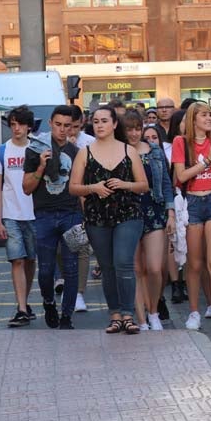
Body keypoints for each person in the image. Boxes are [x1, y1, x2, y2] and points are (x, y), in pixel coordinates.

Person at [70, 106, 149, 335]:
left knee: (124, 262)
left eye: (104, 120)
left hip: (128, 214)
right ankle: (114, 315)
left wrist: (124, 184)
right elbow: (73, 188)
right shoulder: (85, 152)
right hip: (97, 216)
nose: (100, 125)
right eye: (95, 121)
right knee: (107, 267)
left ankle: (128, 314)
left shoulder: (128, 150)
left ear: (115, 124)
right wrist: (93, 188)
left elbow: (143, 185)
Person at [172, 101, 211, 334]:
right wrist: (206, 158)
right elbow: (181, 175)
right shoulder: (181, 142)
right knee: (195, 263)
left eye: (210, 114)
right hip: (193, 202)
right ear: (193, 119)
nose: (209, 118)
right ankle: (194, 311)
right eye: (204, 115)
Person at [22, 105, 82, 329]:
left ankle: (67, 316)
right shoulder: (35, 149)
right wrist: (41, 166)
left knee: (71, 267)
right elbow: (27, 188)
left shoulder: (77, 153)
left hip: (71, 213)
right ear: (50, 123)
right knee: (46, 269)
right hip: (44, 214)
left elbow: (81, 186)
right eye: (58, 125)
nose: (62, 130)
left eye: (67, 126)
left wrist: (84, 217)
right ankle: (48, 303)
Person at [0, 105, 38, 328]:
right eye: (13, 124)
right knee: (17, 259)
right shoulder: (1, 152)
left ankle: (25, 303)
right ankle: (20, 308)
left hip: (35, 213)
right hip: (11, 213)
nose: (16, 128)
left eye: (20, 124)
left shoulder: (37, 149)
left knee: (30, 260)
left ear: (29, 126)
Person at [125, 115, 175, 331]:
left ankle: (153, 310)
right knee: (137, 269)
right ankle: (142, 319)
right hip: (128, 211)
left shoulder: (155, 150)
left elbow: (166, 183)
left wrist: (170, 212)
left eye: (138, 128)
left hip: (154, 209)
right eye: (130, 129)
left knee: (155, 268)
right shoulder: (120, 151)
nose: (134, 133)